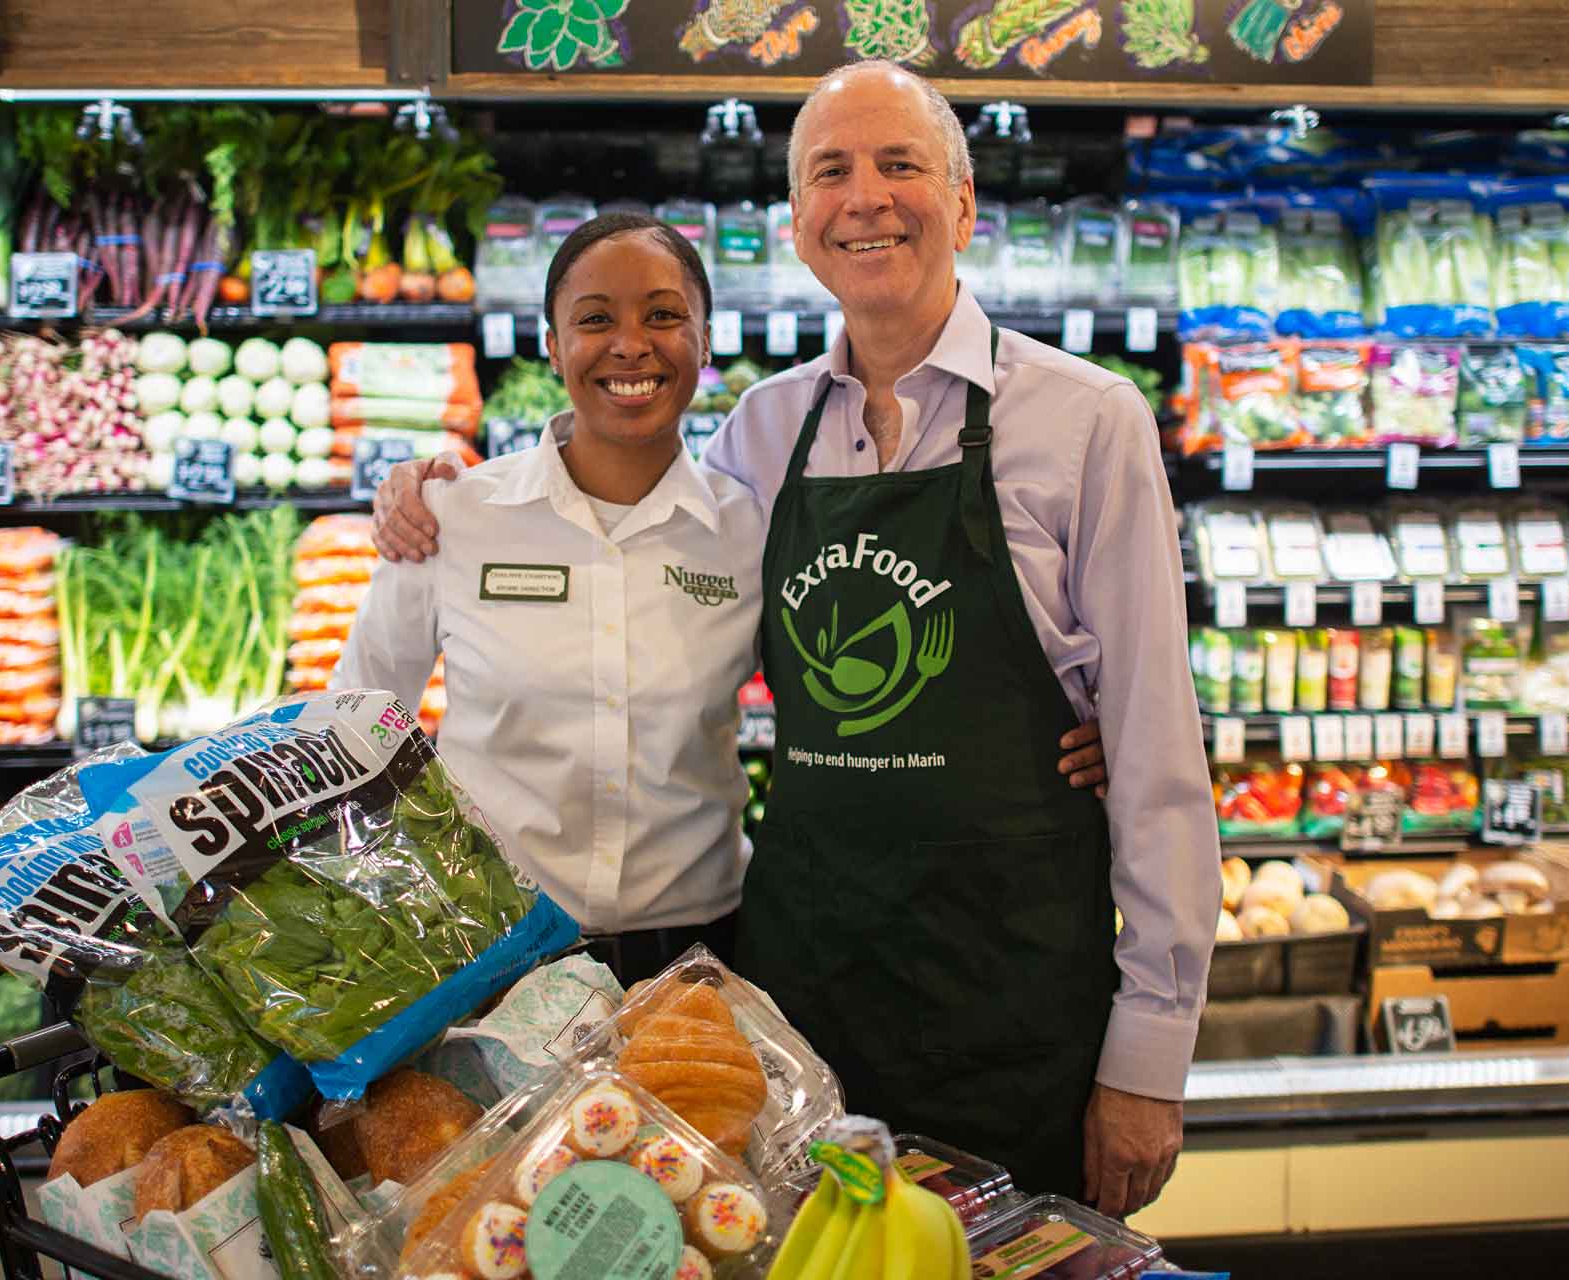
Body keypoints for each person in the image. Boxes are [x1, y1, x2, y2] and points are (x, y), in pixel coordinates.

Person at [370, 61, 1213, 1219]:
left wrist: (1149, 1056)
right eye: (831, 171)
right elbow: (618, 542)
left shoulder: (1087, 421)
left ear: (964, 205)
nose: (865, 196)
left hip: (1010, 987)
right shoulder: (763, 440)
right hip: (799, 996)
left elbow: (1162, 759)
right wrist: (425, 487)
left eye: (900, 164)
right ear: (802, 227)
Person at [335, 211, 1113, 989]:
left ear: (704, 344)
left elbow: (878, 656)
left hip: (700, 957)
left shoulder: (755, 525)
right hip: (489, 949)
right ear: (552, 345)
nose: (631, 344)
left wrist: (1052, 728)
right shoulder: (454, 516)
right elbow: (346, 732)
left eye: (664, 316)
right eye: (594, 319)